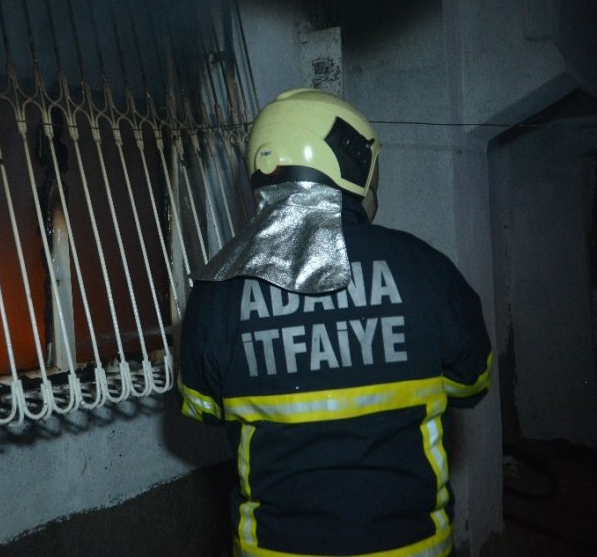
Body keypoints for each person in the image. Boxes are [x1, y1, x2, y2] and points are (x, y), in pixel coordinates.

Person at [178, 88, 492, 557]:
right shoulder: (424, 267)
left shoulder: (215, 288)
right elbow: (473, 383)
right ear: (350, 159)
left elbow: (204, 409)